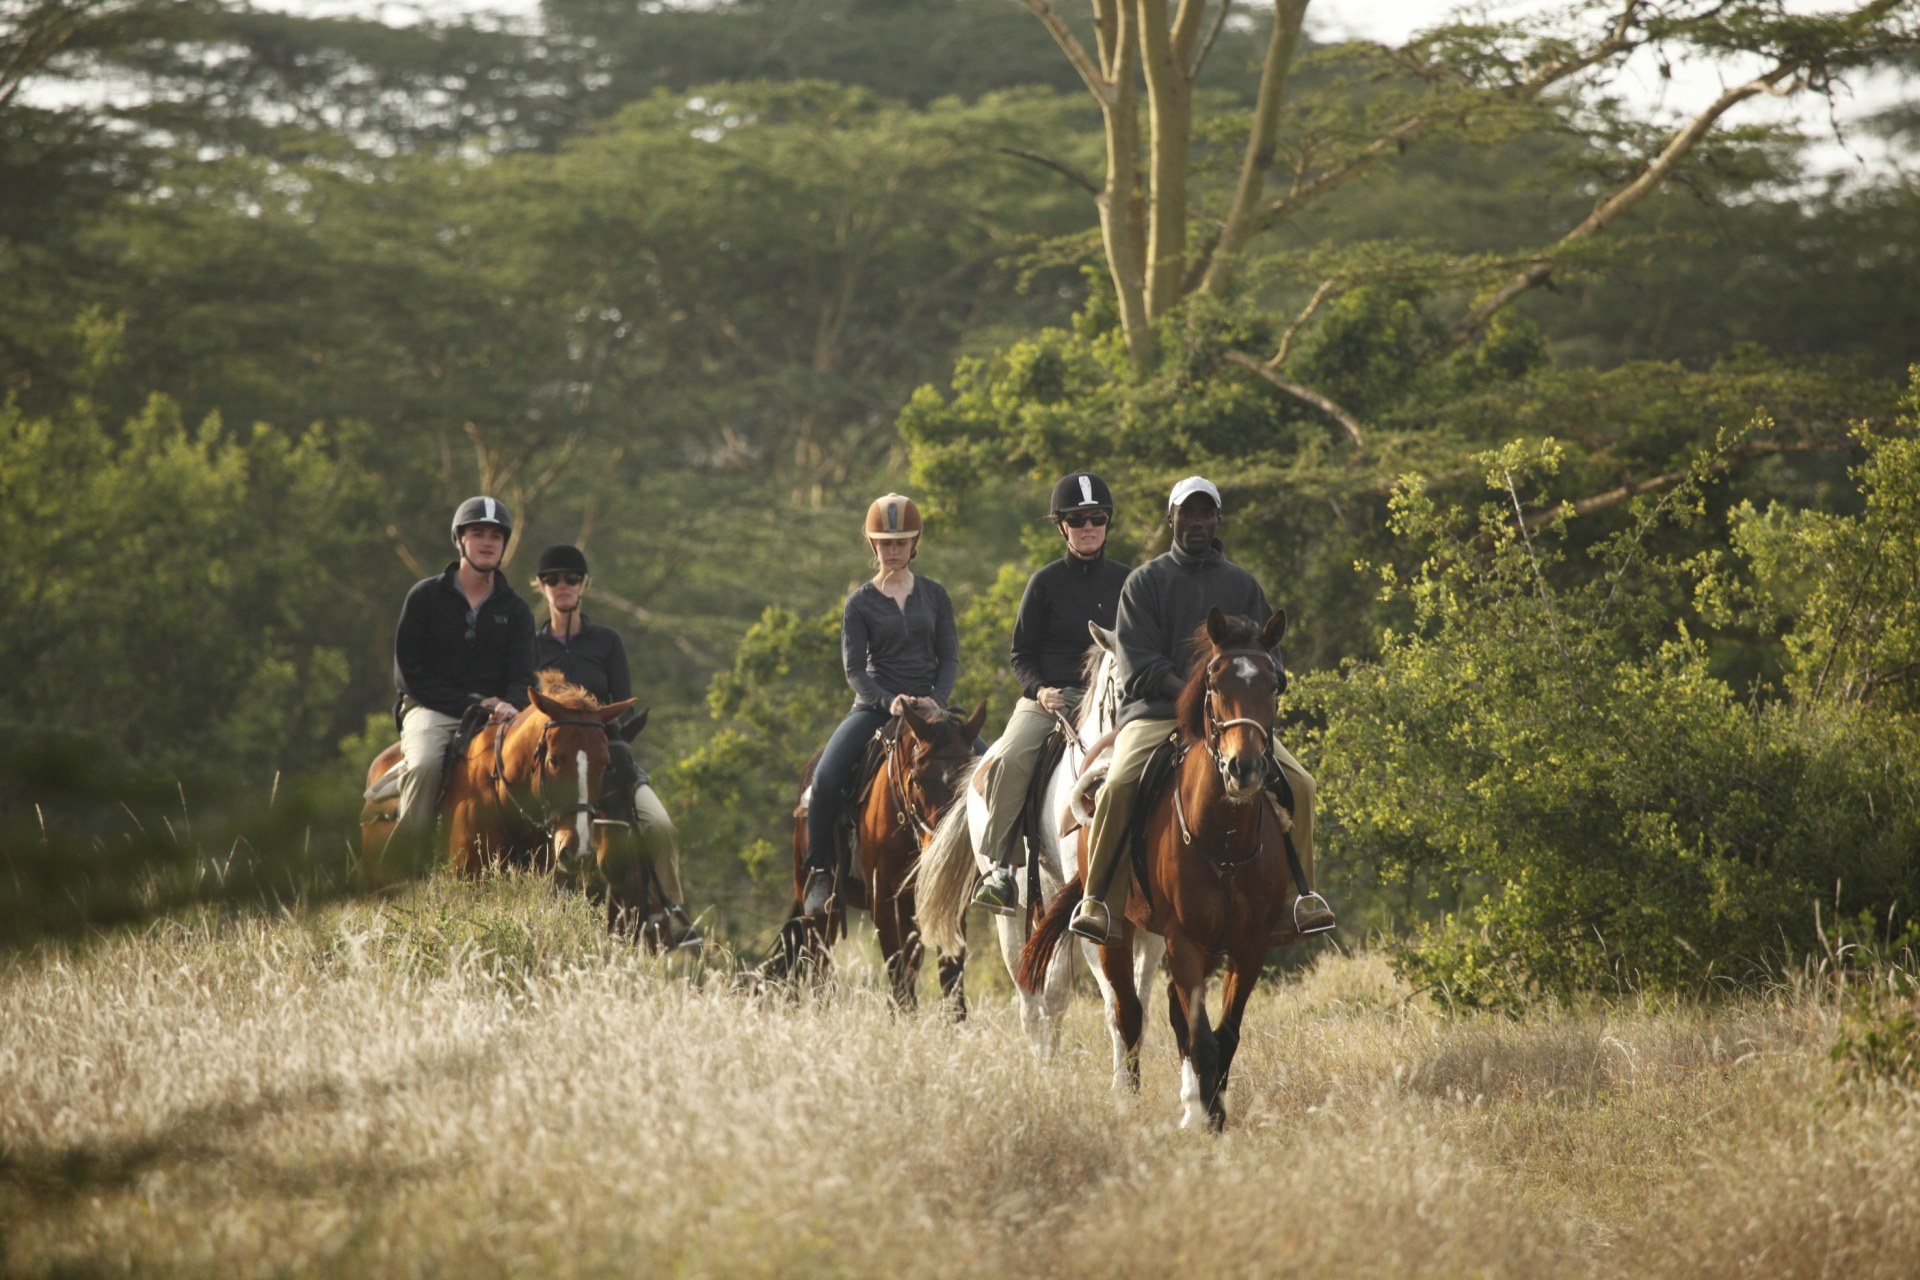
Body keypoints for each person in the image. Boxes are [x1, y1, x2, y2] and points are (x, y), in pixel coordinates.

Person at [1066, 476, 1336, 943]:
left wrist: (1271, 678)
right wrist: (1195, 694)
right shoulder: (1144, 583)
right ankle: (1098, 902)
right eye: (1186, 513)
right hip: (1156, 714)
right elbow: (1138, 664)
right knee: (1117, 788)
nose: (1195, 522)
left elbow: (1269, 655)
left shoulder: (1242, 585)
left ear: (1217, 519)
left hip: (1232, 720)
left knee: (1303, 785)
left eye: (1204, 513)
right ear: (1171, 518)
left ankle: (1300, 898)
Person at [971, 471, 1130, 914]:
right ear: (1062, 526)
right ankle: (1001, 870)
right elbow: (1021, 653)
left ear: (1106, 522)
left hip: (1116, 698)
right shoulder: (1043, 583)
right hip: (1054, 698)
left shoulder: (1131, 582)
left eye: (1096, 517)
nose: (1088, 527)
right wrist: (1039, 690)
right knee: (1011, 756)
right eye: (1077, 520)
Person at [530, 544, 703, 948]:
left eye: (571, 578)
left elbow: (621, 706)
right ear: (541, 586)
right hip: (551, 768)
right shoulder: (530, 646)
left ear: (584, 585)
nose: (562, 585)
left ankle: (673, 912)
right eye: (553, 579)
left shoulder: (607, 641)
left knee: (660, 826)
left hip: (602, 760)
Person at [800, 493, 961, 917]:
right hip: (874, 709)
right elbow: (854, 670)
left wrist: (937, 701)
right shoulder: (859, 603)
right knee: (826, 777)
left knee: (985, 771)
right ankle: (819, 870)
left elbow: (950, 657)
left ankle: (992, 869)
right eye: (885, 543)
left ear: (914, 543)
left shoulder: (935, 596)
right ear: (873, 546)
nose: (893, 550)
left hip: (930, 709)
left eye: (901, 542)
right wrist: (889, 701)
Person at [390, 496, 536, 861]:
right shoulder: (424, 596)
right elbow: (408, 675)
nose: (488, 542)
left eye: (496, 536)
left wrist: (509, 706)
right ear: (459, 540)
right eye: (478, 533)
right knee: (423, 765)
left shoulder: (516, 609)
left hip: (498, 717)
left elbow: (523, 676)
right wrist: (474, 703)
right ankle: (404, 864)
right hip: (431, 709)